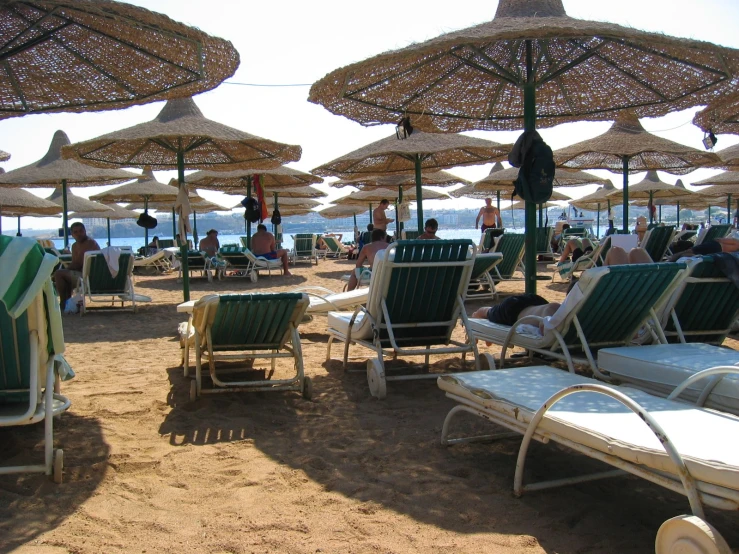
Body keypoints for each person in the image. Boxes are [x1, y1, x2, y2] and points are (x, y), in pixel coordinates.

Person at [53, 222, 101, 309]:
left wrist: (65, 270)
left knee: (59, 274)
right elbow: (76, 263)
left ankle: (63, 304)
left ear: (85, 231)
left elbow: (78, 264)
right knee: (62, 275)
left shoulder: (90, 243)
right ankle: (67, 303)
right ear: (72, 234)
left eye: (81, 231)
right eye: (75, 232)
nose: (79, 234)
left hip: (90, 277)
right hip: (82, 274)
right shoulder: (75, 246)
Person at [472, 293, 561, 335]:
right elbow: (544, 328)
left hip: (536, 302)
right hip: (514, 309)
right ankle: (476, 315)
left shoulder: (558, 308)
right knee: (489, 312)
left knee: (493, 313)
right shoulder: (553, 312)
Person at [667, 237, 739, 262]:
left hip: (714, 246)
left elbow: (718, 239)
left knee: (688, 251)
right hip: (718, 253)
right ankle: (681, 257)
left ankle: (671, 261)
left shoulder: (736, 242)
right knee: (694, 255)